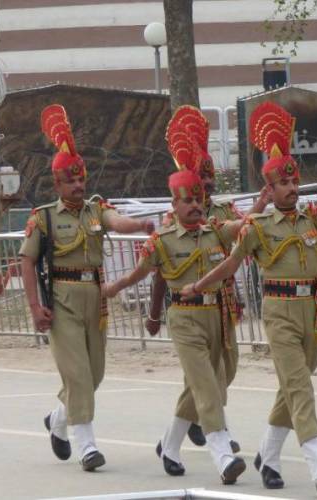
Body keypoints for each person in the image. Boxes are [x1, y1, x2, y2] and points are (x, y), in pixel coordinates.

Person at [180, 102, 317, 497]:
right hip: (279, 312)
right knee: (300, 388)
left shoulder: (310, 218)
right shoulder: (258, 227)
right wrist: (199, 286)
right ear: (271, 186)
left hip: (312, 311)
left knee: (293, 386)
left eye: (294, 181)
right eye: (284, 183)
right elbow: (231, 265)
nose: (292, 188)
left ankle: (267, 455)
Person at [19, 104, 155, 471]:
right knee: (78, 375)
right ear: (57, 184)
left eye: (81, 179)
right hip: (61, 300)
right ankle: (87, 447)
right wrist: (34, 307)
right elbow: (27, 261)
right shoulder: (44, 218)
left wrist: (140, 225)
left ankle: (57, 419)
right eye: (71, 181)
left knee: (94, 375)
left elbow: (117, 221)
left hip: (95, 299)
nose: (79, 185)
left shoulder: (96, 210)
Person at [103, 155, 248, 483]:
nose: (196, 205)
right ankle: (223, 455)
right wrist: (116, 289)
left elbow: (242, 227)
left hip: (217, 314)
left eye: (199, 199)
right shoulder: (163, 240)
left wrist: (263, 204)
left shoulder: (215, 231)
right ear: (174, 205)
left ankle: (169, 447)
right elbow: (141, 274)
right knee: (206, 386)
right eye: (188, 200)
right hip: (184, 318)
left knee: (208, 382)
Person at [145, 106, 269, 461]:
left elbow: (244, 232)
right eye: (202, 184)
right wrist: (154, 313)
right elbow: (161, 271)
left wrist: (263, 202)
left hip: (223, 306)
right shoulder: (174, 220)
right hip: (188, 308)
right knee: (204, 379)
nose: (207, 190)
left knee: (224, 372)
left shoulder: (224, 214)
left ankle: (172, 441)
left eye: (210, 185)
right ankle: (220, 439)